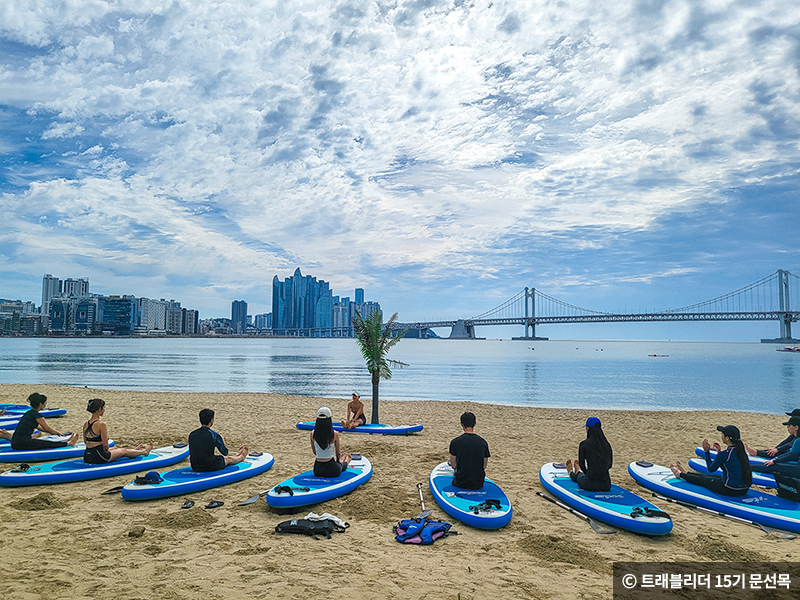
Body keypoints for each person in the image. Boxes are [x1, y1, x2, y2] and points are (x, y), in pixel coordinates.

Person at [669, 425, 752, 497]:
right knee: (713, 477)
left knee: (704, 479)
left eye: (722, 434)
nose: (721, 435)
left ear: (727, 438)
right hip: (744, 490)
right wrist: (719, 453)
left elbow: (711, 469)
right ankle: (686, 473)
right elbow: (729, 466)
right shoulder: (741, 451)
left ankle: (680, 474)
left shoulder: (725, 454)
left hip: (730, 490)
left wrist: (706, 452)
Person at [82, 398, 153, 464]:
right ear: (99, 409)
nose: (104, 409)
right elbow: (105, 445)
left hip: (87, 456)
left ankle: (134, 450)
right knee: (123, 451)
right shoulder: (101, 424)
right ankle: (144, 452)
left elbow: (86, 442)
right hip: (99, 457)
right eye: (104, 408)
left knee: (115, 448)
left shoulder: (86, 424)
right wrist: (107, 451)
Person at [10, 393, 78, 450]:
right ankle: (68, 443)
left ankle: (66, 440)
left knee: (41, 442)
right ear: (40, 404)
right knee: (46, 443)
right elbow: (47, 429)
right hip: (22, 444)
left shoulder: (29, 413)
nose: (45, 405)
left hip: (15, 442)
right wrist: (58, 434)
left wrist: (58, 434)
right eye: (44, 403)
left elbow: (41, 428)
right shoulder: (37, 416)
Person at [564, 416, 613, 492]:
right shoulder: (607, 445)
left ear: (588, 428)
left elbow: (582, 465)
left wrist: (589, 473)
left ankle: (571, 472)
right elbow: (609, 465)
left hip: (589, 484)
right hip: (606, 486)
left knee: (579, 476)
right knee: (584, 475)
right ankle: (578, 471)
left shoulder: (584, 444)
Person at [448, 411, 490, 490]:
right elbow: (484, 466)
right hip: (478, 483)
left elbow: (453, 466)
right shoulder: (483, 442)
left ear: (462, 425)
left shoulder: (455, 442)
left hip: (460, 482)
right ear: (474, 424)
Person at [312, 407, 351, 477]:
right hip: (332, 469)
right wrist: (339, 462)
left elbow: (315, 452)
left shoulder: (312, 433)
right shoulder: (334, 434)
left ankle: (344, 460)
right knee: (342, 465)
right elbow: (338, 453)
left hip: (317, 469)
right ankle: (346, 460)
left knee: (338, 464)